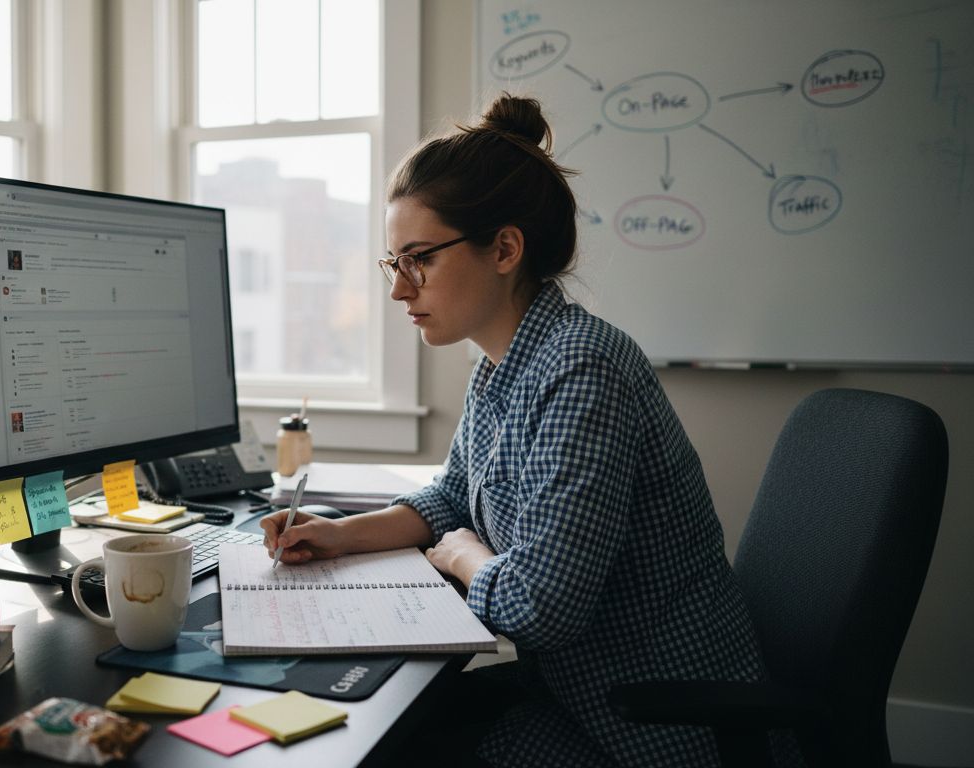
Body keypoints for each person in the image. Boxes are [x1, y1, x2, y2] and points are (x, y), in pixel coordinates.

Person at [261, 94, 771, 767]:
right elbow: (451, 499)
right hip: (577, 689)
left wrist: (462, 556)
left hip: (650, 725)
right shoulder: (502, 366)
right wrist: (339, 535)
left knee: (383, 746)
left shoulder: (582, 370)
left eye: (420, 260)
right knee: (368, 729)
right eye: (394, 263)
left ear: (504, 249)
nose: (399, 291)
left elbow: (538, 608)